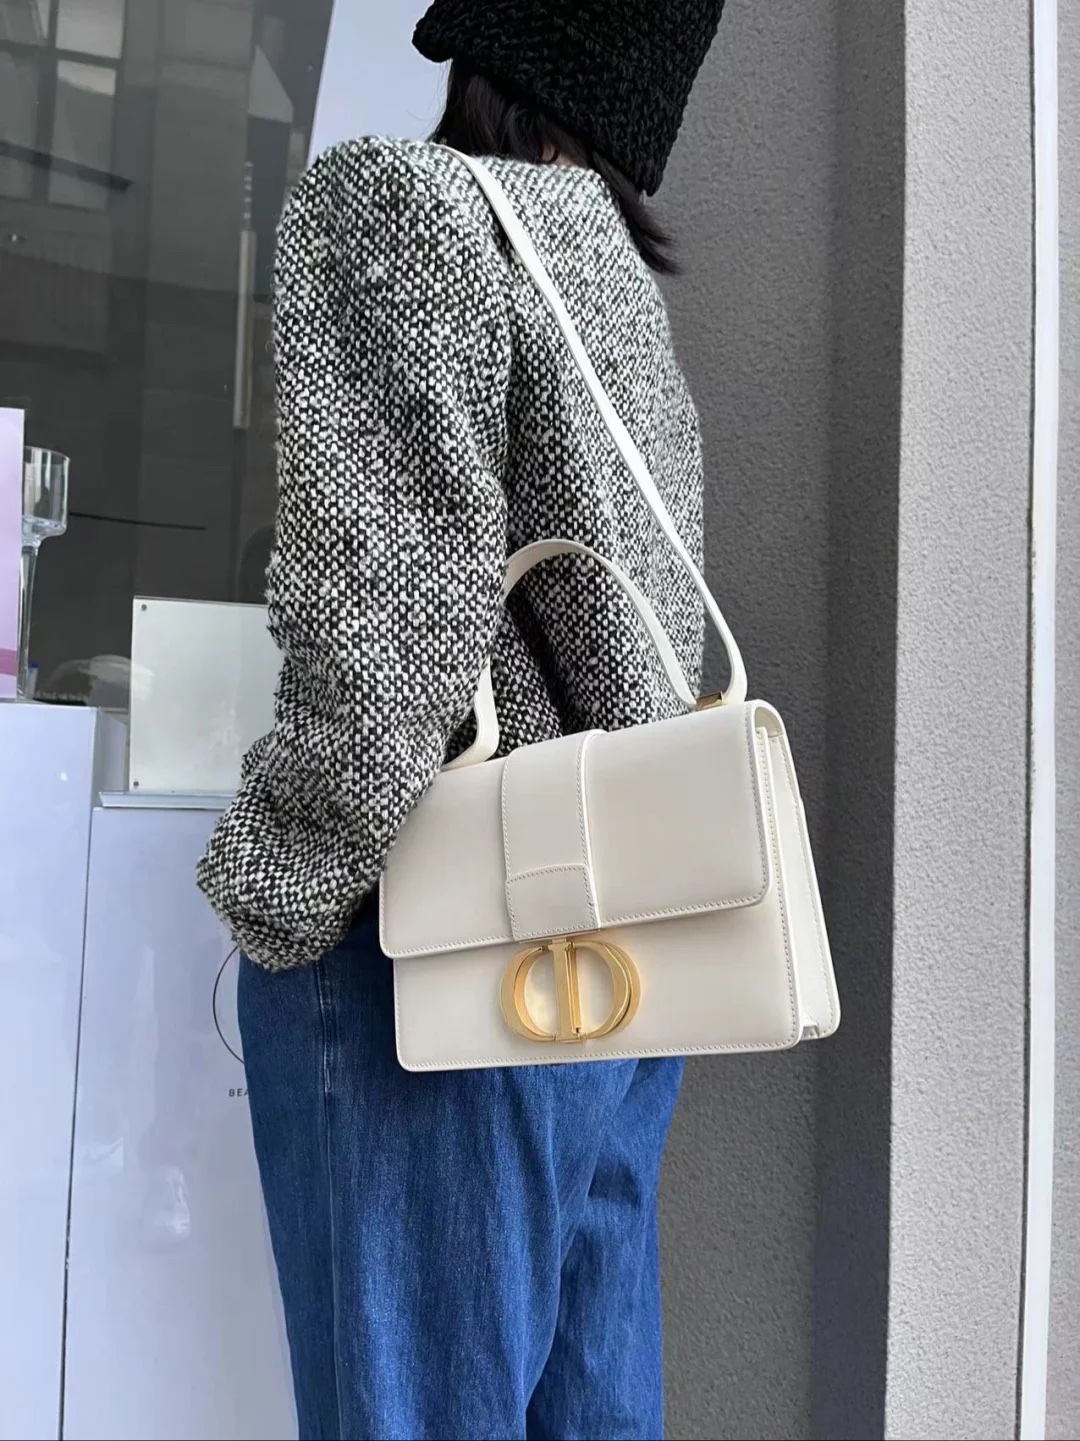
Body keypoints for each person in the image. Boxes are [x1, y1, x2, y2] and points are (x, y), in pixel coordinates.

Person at [197, 2, 727, 1436]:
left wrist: (270, 892)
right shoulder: (605, 270)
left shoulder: (400, 206)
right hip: (620, 964)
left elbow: (384, 658)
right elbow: (636, 643)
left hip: (443, 960)